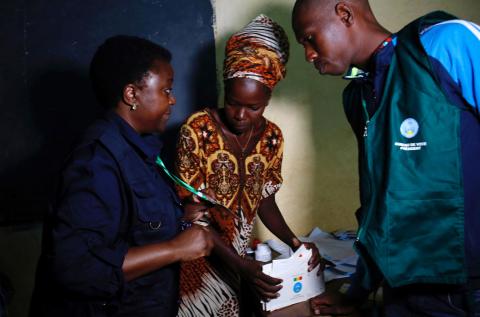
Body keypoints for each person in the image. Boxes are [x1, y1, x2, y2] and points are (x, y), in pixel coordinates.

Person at [292, 0, 480, 316]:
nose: (309, 54)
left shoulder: (446, 43)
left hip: (467, 288)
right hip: (403, 290)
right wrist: (358, 292)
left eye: (309, 38)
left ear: (345, 14)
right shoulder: (357, 95)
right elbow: (376, 203)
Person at [29, 35, 214, 317]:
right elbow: (76, 268)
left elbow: (130, 225)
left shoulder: (137, 148)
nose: (173, 99)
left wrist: (182, 215)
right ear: (132, 94)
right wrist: (175, 249)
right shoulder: (96, 162)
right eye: (166, 90)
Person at [174, 15, 322, 317]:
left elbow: (264, 200)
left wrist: (296, 243)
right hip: (199, 265)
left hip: (242, 262)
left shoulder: (271, 138)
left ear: (269, 97)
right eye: (232, 101)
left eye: (253, 107)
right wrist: (243, 266)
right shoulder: (197, 130)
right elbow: (192, 214)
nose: (240, 115)